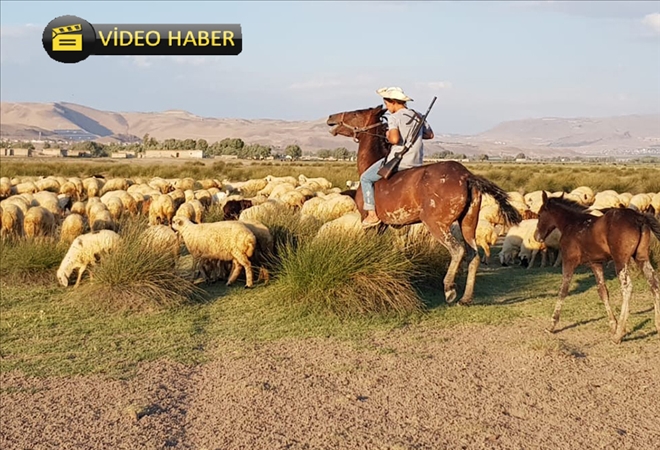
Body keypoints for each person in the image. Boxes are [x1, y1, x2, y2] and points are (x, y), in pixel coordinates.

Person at [360, 86, 435, 228]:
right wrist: (414, 134)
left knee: (366, 178)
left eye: (387, 104)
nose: (387, 108)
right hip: (417, 161)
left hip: (399, 161)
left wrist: (388, 135)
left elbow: (394, 140)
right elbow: (430, 135)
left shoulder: (394, 118)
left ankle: (371, 214)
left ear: (393, 102)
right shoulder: (417, 115)